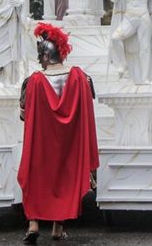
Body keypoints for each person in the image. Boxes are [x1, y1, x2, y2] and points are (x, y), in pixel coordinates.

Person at [18, 23, 98, 244]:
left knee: (35, 178)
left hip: (42, 145)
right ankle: (57, 228)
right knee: (65, 180)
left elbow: (24, 114)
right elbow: (87, 109)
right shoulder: (81, 77)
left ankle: (33, 224)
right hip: (69, 145)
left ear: (45, 55)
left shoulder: (32, 81)